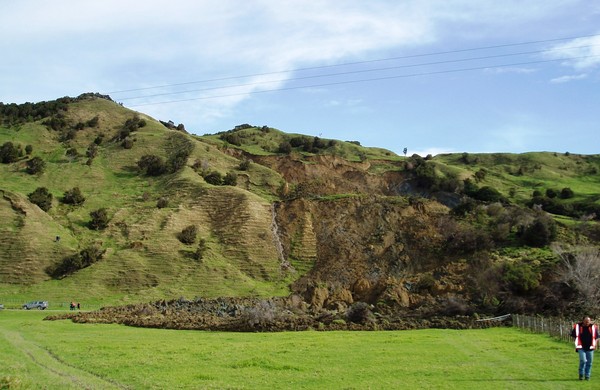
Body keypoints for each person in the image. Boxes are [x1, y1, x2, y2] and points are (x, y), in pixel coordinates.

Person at [571, 316, 599, 381]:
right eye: (586, 321)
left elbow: (597, 337)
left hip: (590, 347)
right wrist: (576, 342)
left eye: (588, 321)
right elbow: (573, 336)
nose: (587, 322)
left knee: (589, 362)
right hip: (581, 347)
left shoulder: (593, 327)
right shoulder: (577, 327)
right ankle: (581, 374)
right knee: (583, 360)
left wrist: (595, 344)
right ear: (583, 321)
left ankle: (587, 375)